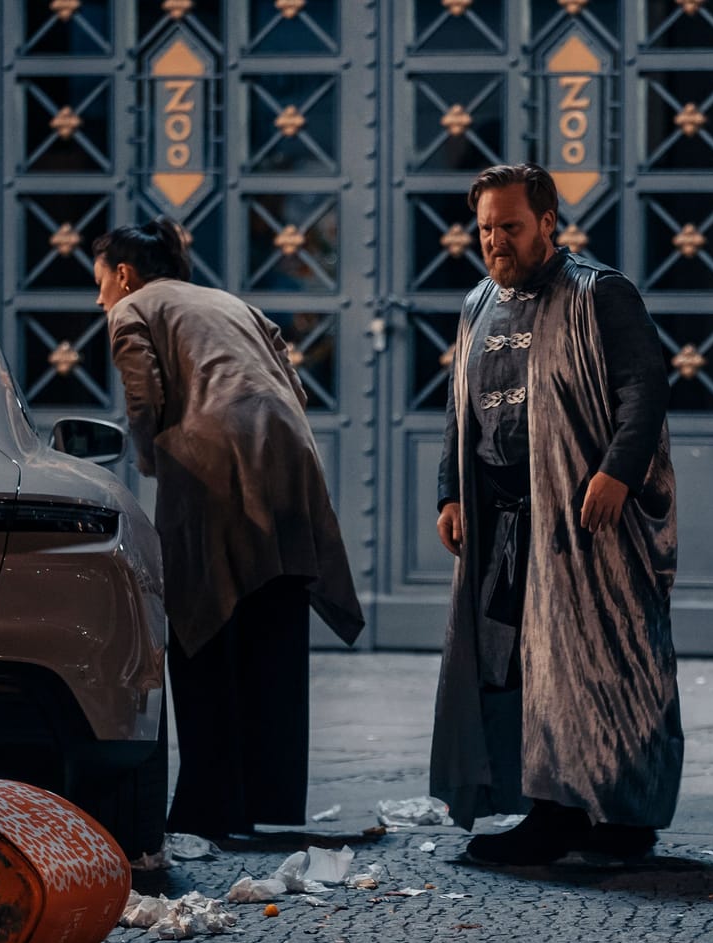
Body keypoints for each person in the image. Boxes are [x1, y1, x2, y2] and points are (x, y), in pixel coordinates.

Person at [430, 163, 682, 866]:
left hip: (588, 524)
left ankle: (624, 820)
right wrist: (451, 490)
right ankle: (551, 811)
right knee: (523, 670)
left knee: (607, 664)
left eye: (509, 226)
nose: (496, 242)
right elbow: (459, 405)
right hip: (507, 521)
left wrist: (616, 473)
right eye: (485, 229)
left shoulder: (601, 294)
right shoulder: (480, 303)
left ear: (547, 222)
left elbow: (644, 389)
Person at [93, 216, 363, 842]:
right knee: (273, 624)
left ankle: (213, 806)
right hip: (287, 450)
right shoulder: (231, 301)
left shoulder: (132, 309)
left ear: (125, 275)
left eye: (100, 281)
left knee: (202, 625)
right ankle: (269, 798)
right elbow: (289, 379)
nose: (99, 296)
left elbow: (144, 397)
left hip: (212, 456)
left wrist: (152, 460)